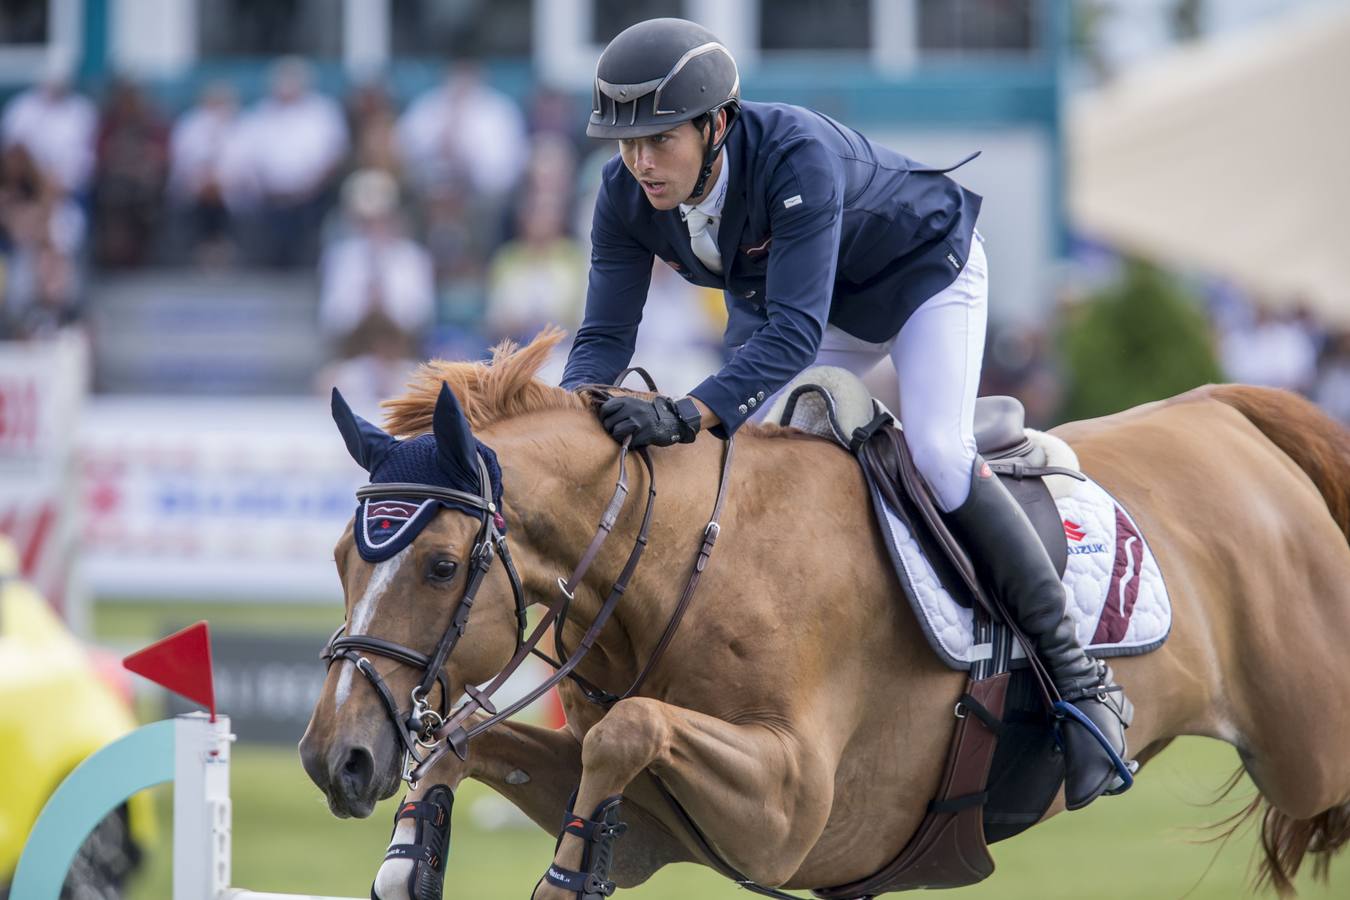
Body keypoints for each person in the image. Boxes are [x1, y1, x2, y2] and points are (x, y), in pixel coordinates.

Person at [560, 17, 1133, 812]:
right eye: (626, 144)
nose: (641, 162)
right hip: (811, 307)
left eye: (659, 140)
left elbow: (794, 333)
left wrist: (688, 413)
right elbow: (604, 337)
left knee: (935, 451)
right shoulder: (625, 193)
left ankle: (1082, 681)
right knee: (765, 470)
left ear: (715, 123)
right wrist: (566, 423)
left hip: (924, 276)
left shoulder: (795, 153)